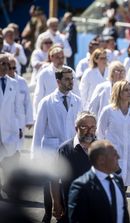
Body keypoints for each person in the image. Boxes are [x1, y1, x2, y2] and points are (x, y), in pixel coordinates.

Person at [32, 66, 81, 223]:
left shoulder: (78, 101)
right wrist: (35, 156)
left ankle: (65, 215)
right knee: (50, 185)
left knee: (67, 184)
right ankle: (48, 214)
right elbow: (38, 131)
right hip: (51, 149)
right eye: (67, 79)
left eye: (71, 78)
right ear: (58, 81)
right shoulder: (47, 102)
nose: (70, 82)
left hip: (71, 150)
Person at [68, 140, 130, 223]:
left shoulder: (118, 180)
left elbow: (123, 213)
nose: (118, 157)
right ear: (101, 160)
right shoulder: (82, 186)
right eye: (114, 154)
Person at [51, 111, 95, 222]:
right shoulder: (64, 149)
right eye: (84, 127)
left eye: (93, 127)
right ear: (76, 128)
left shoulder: (101, 149)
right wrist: (56, 202)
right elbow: (55, 179)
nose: (89, 131)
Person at [97, 80, 130, 187]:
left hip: (129, 152)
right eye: (125, 90)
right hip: (113, 153)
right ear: (118, 92)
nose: (129, 92)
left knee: (124, 184)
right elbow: (100, 132)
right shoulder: (108, 111)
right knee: (112, 183)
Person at [33, 46, 79, 119]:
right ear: (51, 57)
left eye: (62, 57)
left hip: (68, 109)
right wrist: (36, 115)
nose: (60, 60)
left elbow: (76, 92)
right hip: (50, 111)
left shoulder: (70, 71)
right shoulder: (44, 73)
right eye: (57, 57)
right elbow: (38, 95)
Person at [7, 56, 33, 149]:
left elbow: (27, 102)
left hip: (20, 121)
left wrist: (29, 120)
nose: (11, 70)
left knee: (18, 148)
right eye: (9, 68)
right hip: (5, 121)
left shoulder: (22, 81)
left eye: (13, 68)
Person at [0, 54, 22, 164]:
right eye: (2, 63)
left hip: (10, 129)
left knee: (10, 164)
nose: (6, 67)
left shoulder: (14, 83)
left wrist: (20, 127)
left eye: (8, 64)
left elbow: (18, 107)